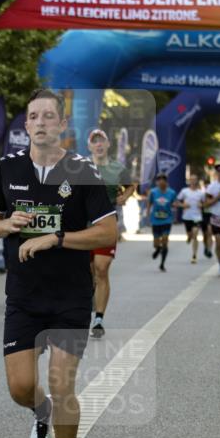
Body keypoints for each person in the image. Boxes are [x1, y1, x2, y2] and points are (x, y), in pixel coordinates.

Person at [0, 89, 117, 438]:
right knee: (21, 388)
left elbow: (108, 232)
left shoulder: (84, 172)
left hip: (70, 296)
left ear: (62, 125)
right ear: (26, 125)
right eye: (33, 116)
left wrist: (55, 237)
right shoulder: (7, 168)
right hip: (23, 294)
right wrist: (8, 226)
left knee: (62, 385)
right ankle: (39, 414)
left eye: (48, 116)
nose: (40, 122)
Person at [86, 128, 134, 337]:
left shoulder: (117, 168)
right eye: (94, 141)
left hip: (107, 223)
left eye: (101, 141)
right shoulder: (80, 167)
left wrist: (126, 196)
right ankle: (89, 298)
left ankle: (98, 318)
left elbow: (131, 185)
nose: (98, 144)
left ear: (107, 145)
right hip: (83, 224)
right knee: (88, 272)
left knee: (101, 268)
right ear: (90, 146)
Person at [146, 173, 176, 272]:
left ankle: (162, 264)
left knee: (165, 240)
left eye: (163, 180)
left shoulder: (171, 193)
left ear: (166, 182)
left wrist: (176, 212)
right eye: (159, 180)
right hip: (156, 220)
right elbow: (149, 203)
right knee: (156, 243)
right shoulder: (153, 192)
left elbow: (174, 204)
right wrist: (147, 215)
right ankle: (158, 249)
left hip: (167, 220)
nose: (161, 182)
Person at [175, 173, 206, 263]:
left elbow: (206, 203)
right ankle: (189, 237)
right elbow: (176, 202)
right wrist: (183, 205)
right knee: (190, 235)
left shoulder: (200, 193)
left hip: (197, 216)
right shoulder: (184, 191)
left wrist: (202, 205)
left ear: (197, 181)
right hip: (187, 217)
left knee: (195, 234)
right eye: (191, 179)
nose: (193, 181)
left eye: (194, 179)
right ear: (189, 181)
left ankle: (194, 255)